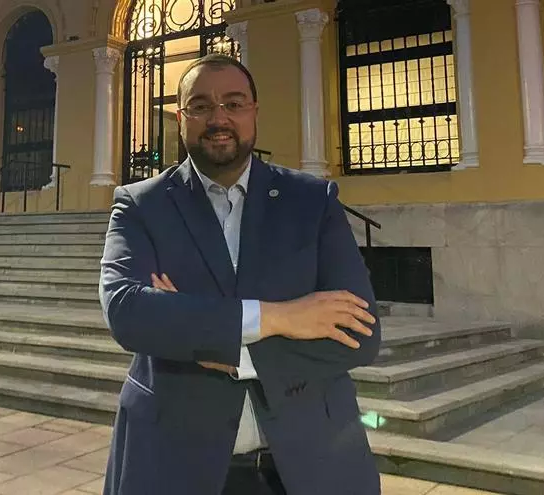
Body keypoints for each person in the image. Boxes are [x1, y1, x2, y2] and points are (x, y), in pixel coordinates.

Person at [99, 53, 382, 495]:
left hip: (311, 464)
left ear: (254, 112)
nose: (219, 118)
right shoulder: (141, 205)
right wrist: (284, 317)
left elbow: (361, 332)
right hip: (173, 462)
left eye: (233, 103)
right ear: (181, 118)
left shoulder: (312, 201)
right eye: (201, 106)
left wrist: (217, 341)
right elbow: (128, 312)